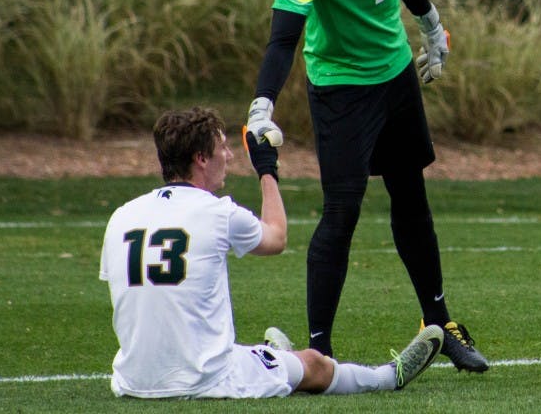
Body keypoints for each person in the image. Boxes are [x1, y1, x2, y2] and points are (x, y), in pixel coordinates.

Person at [245, 0, 488, 372]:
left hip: (396, 74)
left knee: (412, 198)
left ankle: (441, 324)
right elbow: (285, 36)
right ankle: (318, 352)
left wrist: (430, 25)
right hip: (341, 89)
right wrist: (263, 102)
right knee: (342, 212)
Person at [99, 107, 443, 399]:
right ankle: (388, 376)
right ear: (201, 158)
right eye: (223, 148)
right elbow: (276, 238)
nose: (230, 156)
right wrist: (266, 169)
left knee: (233, 350)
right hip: (205, 379)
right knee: (314, 363)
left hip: (132, 381)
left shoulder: (122, 215)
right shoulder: (217, 212)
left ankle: (272, 357)